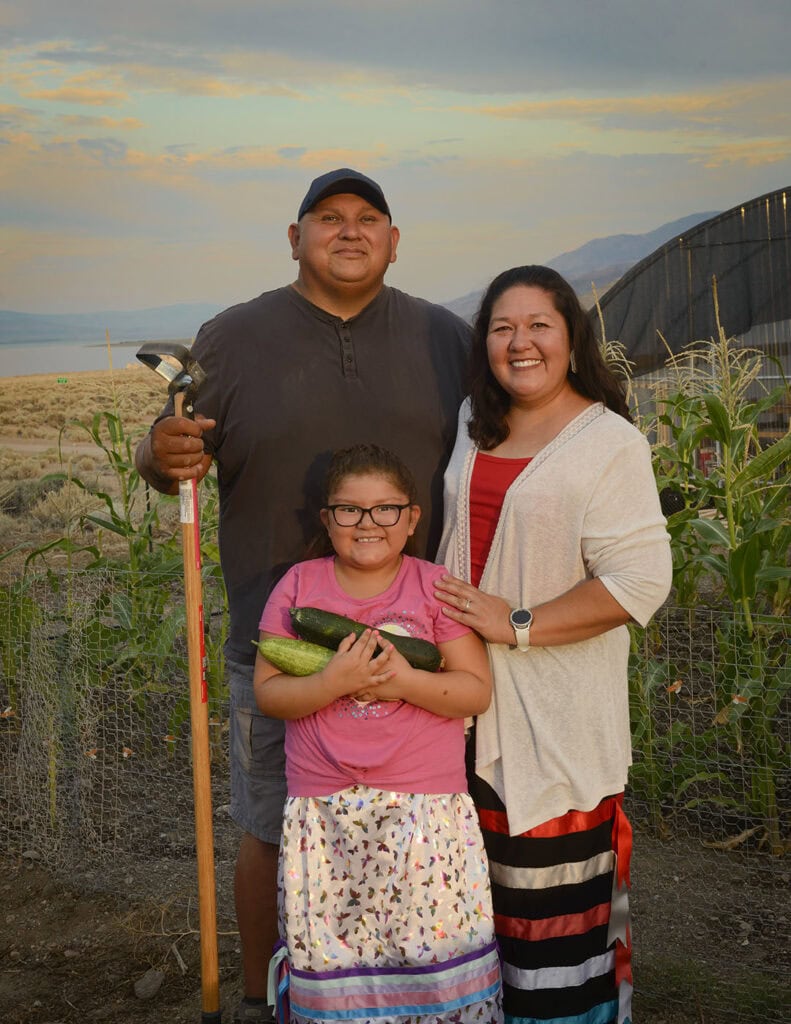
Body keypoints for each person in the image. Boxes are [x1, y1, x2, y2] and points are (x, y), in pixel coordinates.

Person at [134, 168, 471, 1023]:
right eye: (328, 218)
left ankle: (397, 992)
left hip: (419, 644)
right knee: (272, 829)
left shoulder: (445, 338)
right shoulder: (237, 337)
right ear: (295, 238)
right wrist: (157, 453)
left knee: (414, 834)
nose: (348, 231)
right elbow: (172, 445)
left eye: (368, 219)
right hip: (273, 643)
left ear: (394, 242)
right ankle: (261, 996)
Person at [433, 265, 673, 1024]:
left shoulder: (607, 441)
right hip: (457, 708)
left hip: (553, 723)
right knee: (478, 919)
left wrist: (518, 622)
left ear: (571, 339)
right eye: (502, 327)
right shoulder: (477, 420)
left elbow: (640, 580)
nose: (520, 341)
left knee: (553, 934)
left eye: (539, 324)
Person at [254, 443, 501, 1024]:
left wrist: (401, 683)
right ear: (326, 519)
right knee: (343, 957)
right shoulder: (299, 587)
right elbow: (270, 693)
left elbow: (475, 690)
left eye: (386, 509)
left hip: (424, 810)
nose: (368, 523)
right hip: (325, 812)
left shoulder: (433, 587)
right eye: (349, 510)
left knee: (428, 948)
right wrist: (336, 679)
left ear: (413, 518)